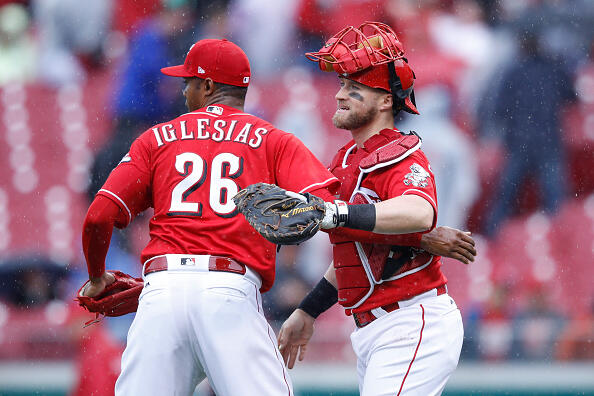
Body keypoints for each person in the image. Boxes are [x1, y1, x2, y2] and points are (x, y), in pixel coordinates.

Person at [80, 38, 342, 396]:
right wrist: (293, 221)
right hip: (228, 292)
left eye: (188, 81)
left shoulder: (156, 138)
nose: (184, 89)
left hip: (162, 293)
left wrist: (96, 276)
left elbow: (98, 216)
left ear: (208, 86)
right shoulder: (274, 141)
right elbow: (325, 207)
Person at [278, 22, 468, 395]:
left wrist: (337, 214)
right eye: (342, 86)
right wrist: (308, 310)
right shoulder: (348, 160)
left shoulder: (399, 153)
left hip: (412, 321)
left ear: (385, 100)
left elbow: (419, 212)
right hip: (376, 329)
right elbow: (354, 257)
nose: (340, 96)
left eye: (355, 88)